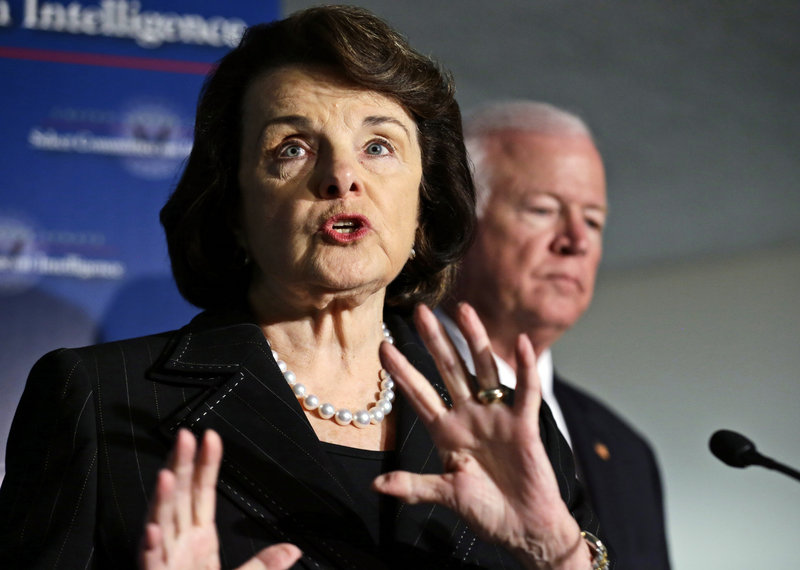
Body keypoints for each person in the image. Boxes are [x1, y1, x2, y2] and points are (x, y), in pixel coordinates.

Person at [0, 9, 607, 570]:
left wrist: (559, 555)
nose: (343, 175)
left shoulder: (506, 424)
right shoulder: (98, 400)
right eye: (291, 148)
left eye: (378, 146)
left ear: (424, 207)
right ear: (234, 206)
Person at [437, 100, 670, 569]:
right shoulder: (367, 386)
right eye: (544, 210)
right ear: (458, 218)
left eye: (593, 221)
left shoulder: (627, 451)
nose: (576, 241)